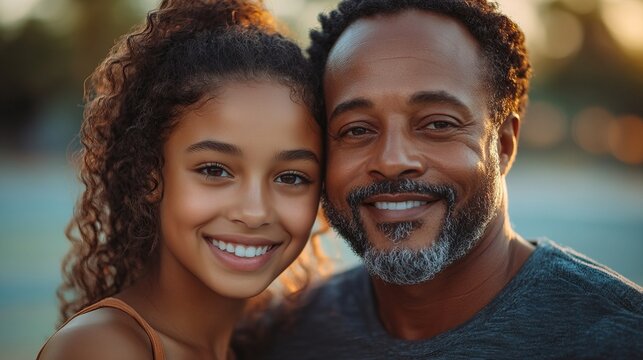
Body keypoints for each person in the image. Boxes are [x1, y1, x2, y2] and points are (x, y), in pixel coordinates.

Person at [250, 0, 643, 358]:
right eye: (357, 130)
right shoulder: (282, 336)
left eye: (437, 124)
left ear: (503, 144)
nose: (392, 161)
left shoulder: (619, 338)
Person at [37, 0, 330, 359]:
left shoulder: (257, 344)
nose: (255, 212)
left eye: (291, 177)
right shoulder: (104, 347)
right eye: (214, 170)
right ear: (150, 176)